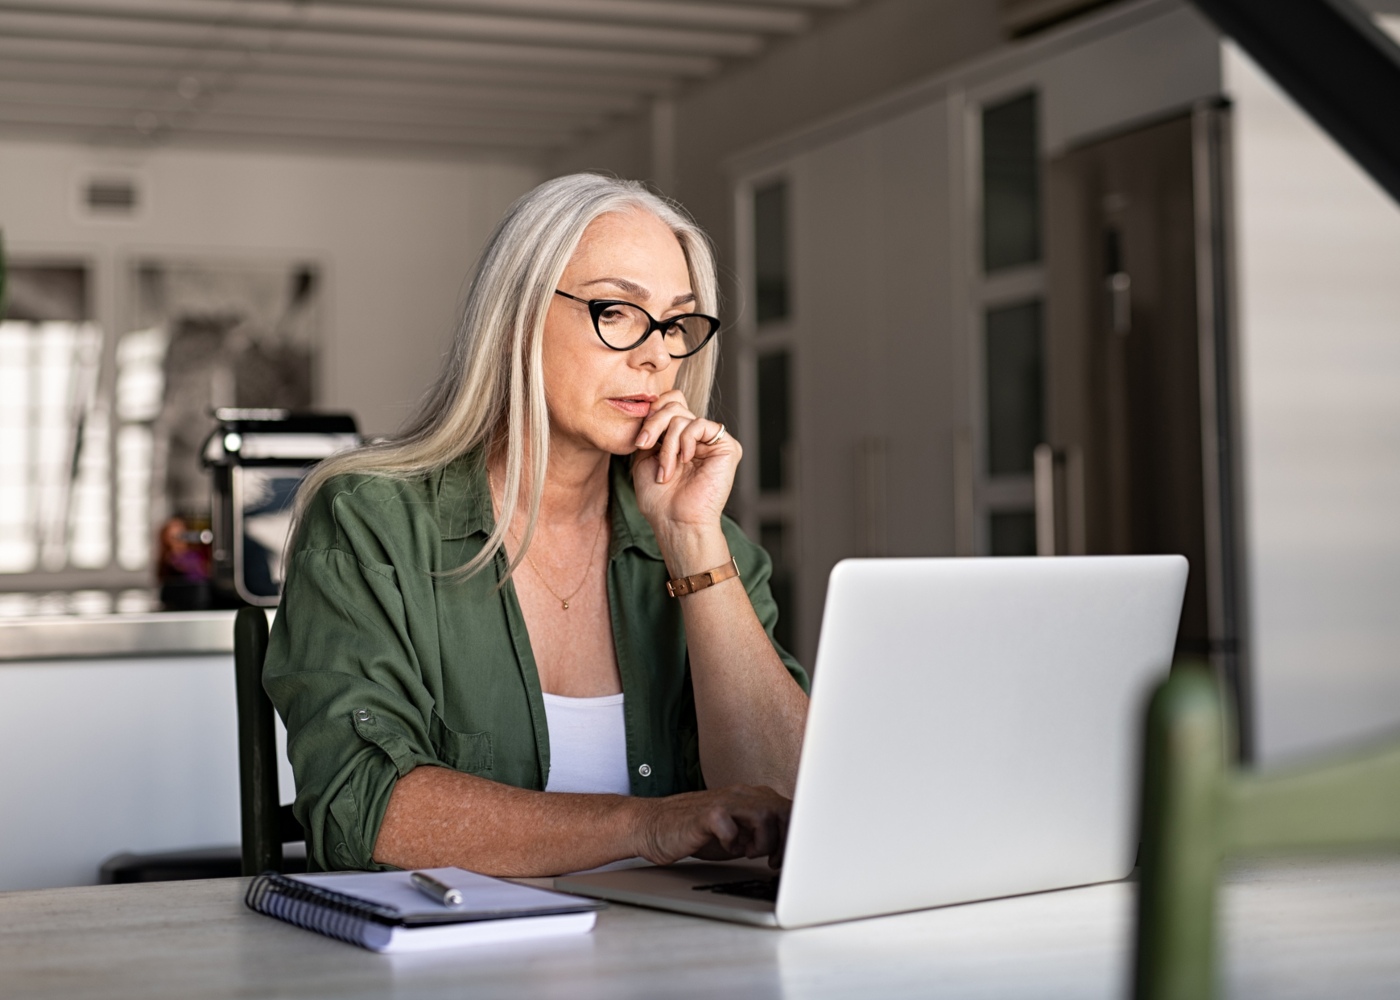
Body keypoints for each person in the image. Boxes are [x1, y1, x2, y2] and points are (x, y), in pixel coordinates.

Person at [265, 174, 809, 878]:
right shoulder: (372, 521)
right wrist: (648, 824)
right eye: (617, 311)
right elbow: (363, 811)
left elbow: (795, 806)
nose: (657, 355)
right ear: (518, 315)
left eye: (676, 323)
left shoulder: (709, 545)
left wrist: (692, 544)